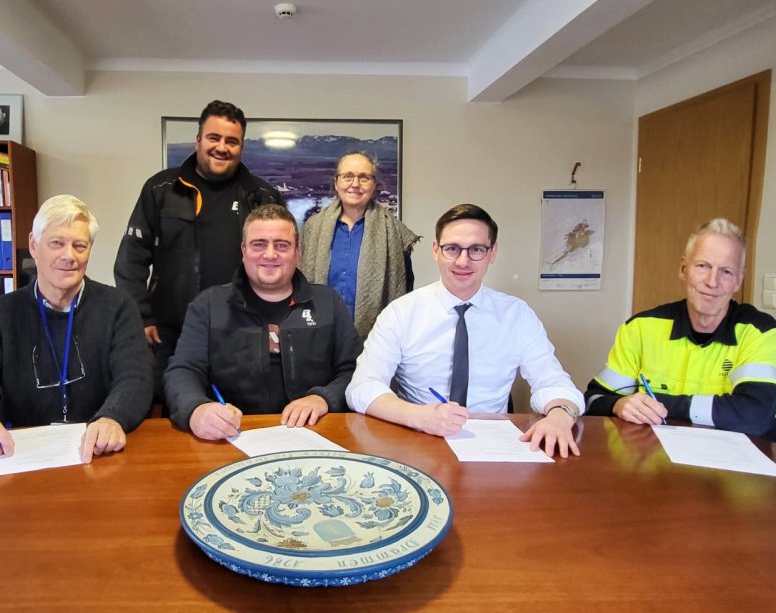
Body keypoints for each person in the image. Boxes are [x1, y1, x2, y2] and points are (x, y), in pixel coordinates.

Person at [346, 204, 584, 458]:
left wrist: (560, 417)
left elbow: (554, 382)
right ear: (436, 250)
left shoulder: (517, 315)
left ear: (492, 253)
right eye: (452, 248)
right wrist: (418, 416)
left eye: (476, 249)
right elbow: (361, 387)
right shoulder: (401, 313)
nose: (463, 261)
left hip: (494, 445)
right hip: (418, 440)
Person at [0, 195, 151, 461]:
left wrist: (112, 418)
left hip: (97, 452)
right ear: (33, 245)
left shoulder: (118, 306)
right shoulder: (2, 313)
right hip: (19, 455)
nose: (69, 256)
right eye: (56, 243)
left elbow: (136, 378)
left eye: (79, 246)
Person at [115, 100, 281, 406]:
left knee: (240, 414)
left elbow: (280, 265)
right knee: (175, 410)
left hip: (242, 332)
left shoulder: (263, 196)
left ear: (242, 147)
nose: (222, 147)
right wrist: (141, 317)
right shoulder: (161, 189)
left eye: (232, 141)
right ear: (198, 141)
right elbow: (131, 260)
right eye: (214, 138)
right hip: (171, 334)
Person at [165, 204, 362, 439]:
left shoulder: (328, 303)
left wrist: (323, 398)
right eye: (259, 244)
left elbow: (355, 371)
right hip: (232, 434)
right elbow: (183, 371)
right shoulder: (208, 305)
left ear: (298, 252)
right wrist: (197, 409)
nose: (270, 255)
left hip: (314, 432)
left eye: (282, 245)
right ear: (243, 250)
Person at [584, 218, 776, 443]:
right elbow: (593, 400)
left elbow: (752, 417)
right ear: (684, 269)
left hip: (741, 457)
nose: (712, 281)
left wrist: (661, 403)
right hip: (660, 454)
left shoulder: (761, 332)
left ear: (738, 281)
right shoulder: (640, 328)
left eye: (726, 272)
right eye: (703, 266)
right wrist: (618, 404)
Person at [299, 151, 420, 339]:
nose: (355, 184)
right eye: (348, 176)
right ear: (336, 183)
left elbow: (404, 292)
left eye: (364, 177)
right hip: (319, 337)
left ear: (374, 185)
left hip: (377, 340)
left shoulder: (395, 232)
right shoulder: (312, 228)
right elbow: (298, 284)